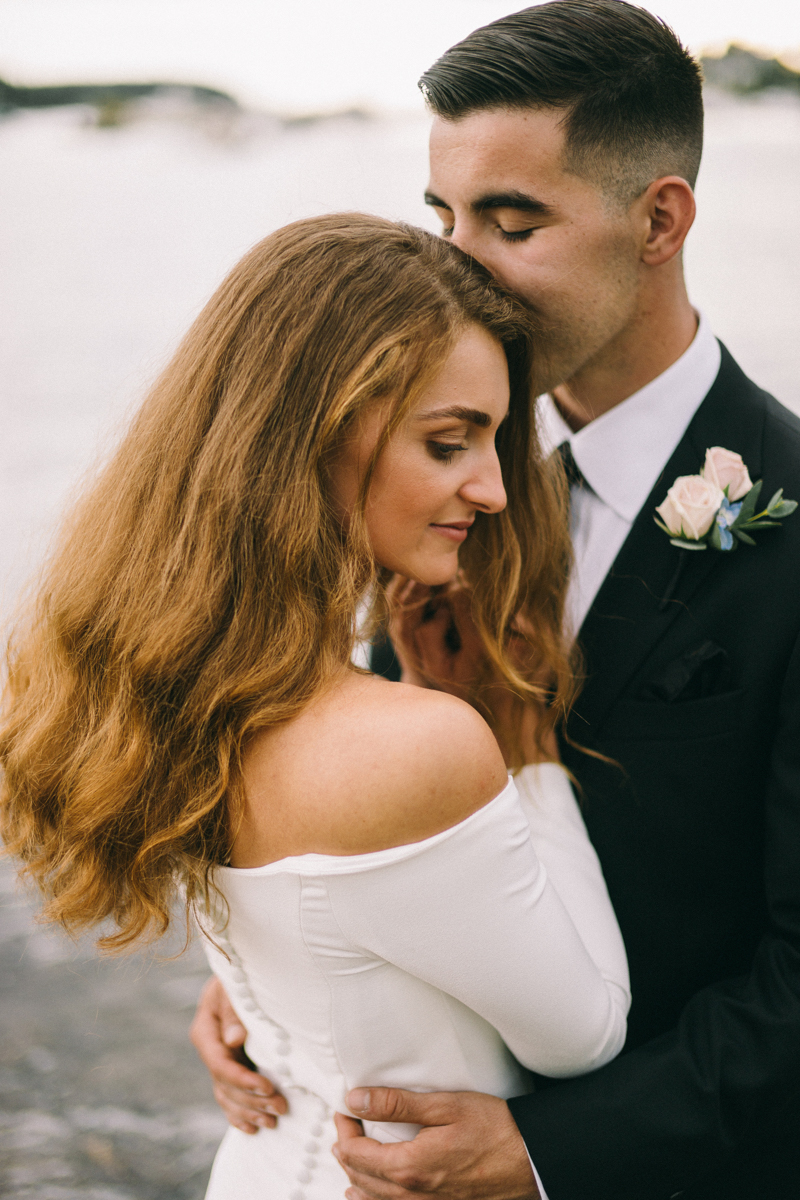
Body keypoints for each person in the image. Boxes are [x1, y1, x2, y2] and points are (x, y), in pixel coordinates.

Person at [191, 4, 800, 1198]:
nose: (458, 264)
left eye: (511, 223)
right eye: (444, 216)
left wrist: (548, 1157)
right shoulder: (430, 478)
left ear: (658, 220)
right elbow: (362, 773)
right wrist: (280, 972)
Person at [0, 213, 631, 1198]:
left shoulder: (166, 683)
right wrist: (525, 751)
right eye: (449, 441)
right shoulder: (415, 747)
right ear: (313, 434)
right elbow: (585, 1031)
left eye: (495, 440)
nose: (495, 488)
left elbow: (313, 930)